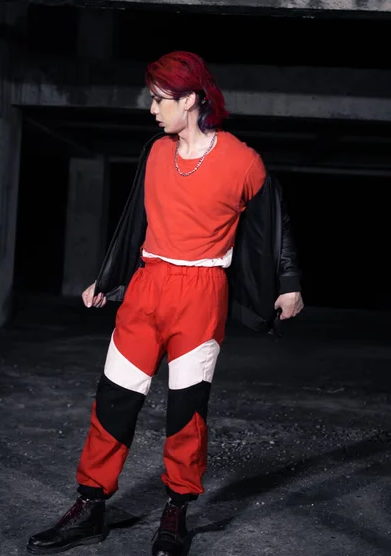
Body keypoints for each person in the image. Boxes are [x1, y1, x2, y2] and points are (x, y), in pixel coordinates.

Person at [27, 51, 303, 556]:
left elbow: (275, 223)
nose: (152, 109)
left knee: (185, 411)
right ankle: (90, 506)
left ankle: (175, 512)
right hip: (146, 286)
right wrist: (109, 280)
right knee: (113, 399)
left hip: (201, 294)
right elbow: (133, 220)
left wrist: (288, 282)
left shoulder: (242, 161)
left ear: (191, 99)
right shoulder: (155, 153)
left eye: (160, 99)